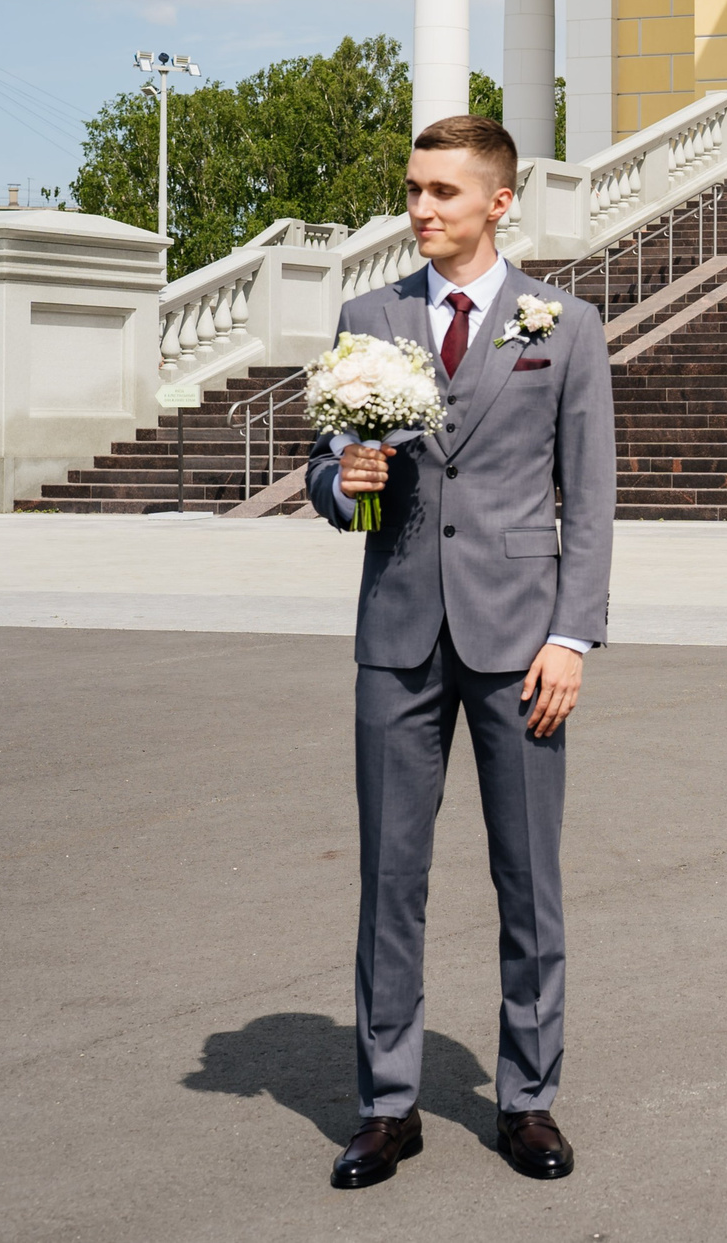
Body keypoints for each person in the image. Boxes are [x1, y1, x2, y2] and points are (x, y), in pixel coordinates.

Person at [304, 114, 614, 1187]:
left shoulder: (563, 325)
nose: (421, 209)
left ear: (499, 201)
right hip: (396, 638)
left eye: (443, 192)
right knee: (390, 879)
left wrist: (572, 635)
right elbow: (322, 463)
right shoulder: (367, 315)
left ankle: (527, 1100)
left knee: (528, 878)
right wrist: (337, 485)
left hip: (522, 642)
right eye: (413, 189)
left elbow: (592, 496)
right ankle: (387, 1105)